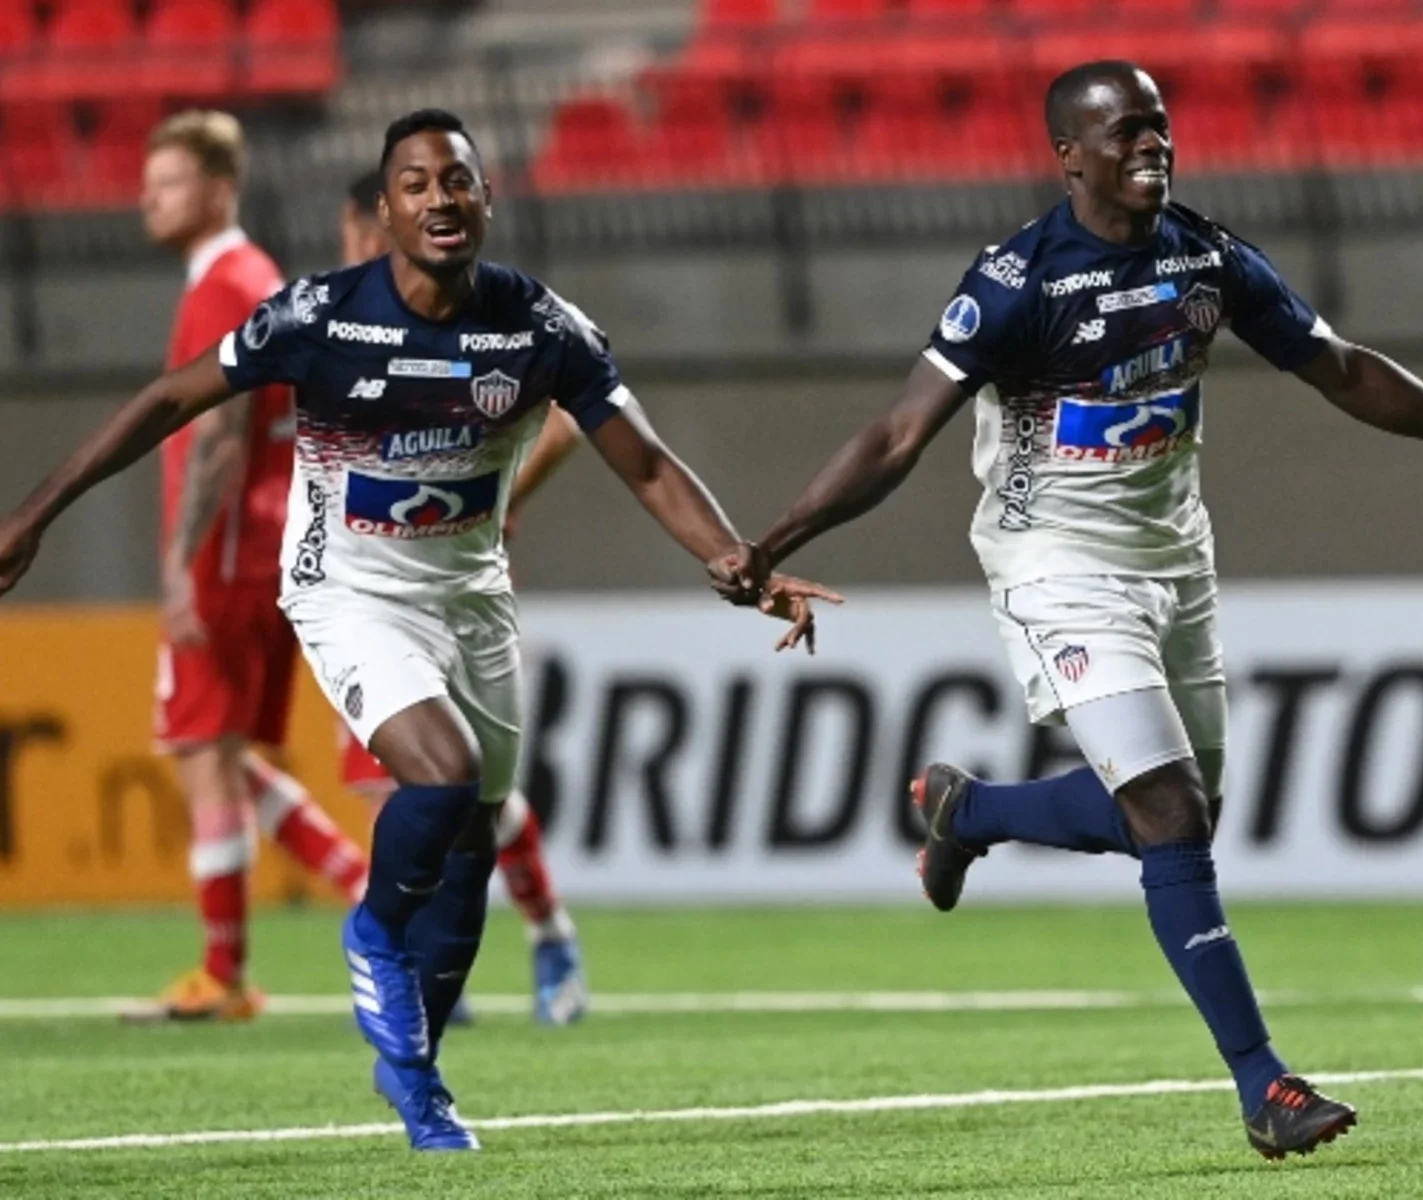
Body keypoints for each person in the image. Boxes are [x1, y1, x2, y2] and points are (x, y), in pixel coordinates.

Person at [719, 61, 1423, 1160]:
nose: (1150, 147)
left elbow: (1340, 367)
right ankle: (1265, 1086)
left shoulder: (1205, 255)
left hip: (1175, 557)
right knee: (1168, 811)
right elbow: (896, 435)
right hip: (1055, 562)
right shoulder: (1018, 282)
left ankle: (967, 814)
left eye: (1159, 128)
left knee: (1173, 815)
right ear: (1067, 156)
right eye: (1123, 133)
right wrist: (769, 547)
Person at [0, 107, 834, 1151]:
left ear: (485, 199)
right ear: (385, 212)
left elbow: (648, 463)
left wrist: (737, 564)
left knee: (474, 839)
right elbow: (172, 399)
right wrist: (32, 513)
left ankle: (418, 1075)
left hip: (469, 591)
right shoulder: (319, 316)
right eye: (416, 184)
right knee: (435, 777)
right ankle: (374, 931)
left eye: (458, 181)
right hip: (346, 587)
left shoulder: (539, 328)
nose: (440, 198)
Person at [336, 170, 592, 1025]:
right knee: (408, 786)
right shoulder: (335, 328)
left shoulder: (475, 319)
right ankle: (428, 966)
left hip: (454, 581)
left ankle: (546, 934)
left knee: (468, 789)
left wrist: (499, 497)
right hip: (364, 591)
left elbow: (568, 415)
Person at [137, 110, 368, 1022]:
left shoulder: (223, 283)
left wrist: (178, 560)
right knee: (222, 754)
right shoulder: (257, 277)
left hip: (228, 549)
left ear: (219, 188)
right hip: (270, 542)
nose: (147, 199)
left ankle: (224, 974)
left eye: (170, 182)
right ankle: (358, 887)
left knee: (200, 755)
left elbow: (222, 432)